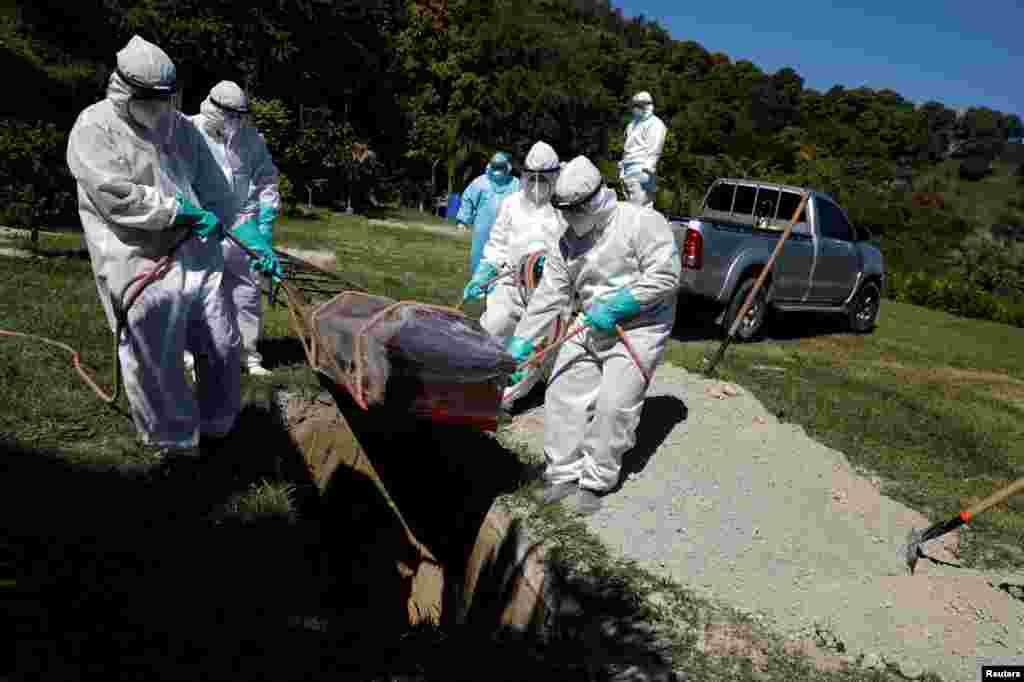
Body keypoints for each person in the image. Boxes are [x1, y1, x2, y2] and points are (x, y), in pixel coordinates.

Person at [66, 35, 243, 460]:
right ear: (123, 89)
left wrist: (247, 235)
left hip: (194, 251)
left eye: (166, 97)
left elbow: (216, 192)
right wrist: (181, 211)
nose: (160, 106)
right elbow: (118, 197)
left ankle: (219, 425)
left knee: (222, 339)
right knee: (155, 347)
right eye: (151, 98)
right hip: (135, 254)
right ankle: (174, 440)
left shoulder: (179, 126)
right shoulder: (94, 128)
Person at [504, 156, 681, 516]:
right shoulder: (566, 242)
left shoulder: (642, 222)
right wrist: (520, 345)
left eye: (574, 211)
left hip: (639, 326)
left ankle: (596, 480)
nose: (568, 219)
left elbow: (666, 276)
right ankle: (564, 473)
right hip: (589, 321)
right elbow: (549, 296)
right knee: (562, 391)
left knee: (613, 406)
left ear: (593, 201)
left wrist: (621, 303)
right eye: (564, 212)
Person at [185, 80, 282, 377]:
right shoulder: (187, 131)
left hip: (242, 224)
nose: (235, 123)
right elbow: (177, 179)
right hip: (200, 226)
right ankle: (191, 354)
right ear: (212, 108)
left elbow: (267, 178)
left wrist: (264, 226)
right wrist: (189, 214)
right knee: (197, 290)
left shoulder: (250, 138)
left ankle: (249, 356)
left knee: (246, 291)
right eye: (230, 116)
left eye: (240, 116)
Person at [462, 141, 566, 407]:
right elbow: (497, 243)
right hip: (509, 282)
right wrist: (483, 272)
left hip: (547, 291)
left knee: (531, 347)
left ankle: (503, 400)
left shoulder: (565, 209)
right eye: (532, 177)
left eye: (544, 178)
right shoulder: (512, 204)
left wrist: (551, 265)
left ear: (555, 177)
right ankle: (477, 382)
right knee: (492, 326)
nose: (536, 183)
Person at [456, 152, 520, 274]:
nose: (497, 170)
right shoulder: (481, 182)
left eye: (500, 167)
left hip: (507, 230)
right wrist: (463, 220)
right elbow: (468, 199)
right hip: (482, 230)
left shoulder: (516, 184)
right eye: (495, 166)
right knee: (479, 257)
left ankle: (500, 283)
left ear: (508, 167)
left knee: (504, 257)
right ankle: (477, 283)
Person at [619, 91, 667, 209]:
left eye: (638, 105)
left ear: (646, 106)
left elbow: (655, 148)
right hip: (628, 170)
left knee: (639, 211)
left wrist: (647, 169)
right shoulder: (632, 125)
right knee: (632, 209)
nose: (635, 108)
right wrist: (622, 167)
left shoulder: (655, 124)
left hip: (641, 169)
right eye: (634, 105)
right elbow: (627, 147)